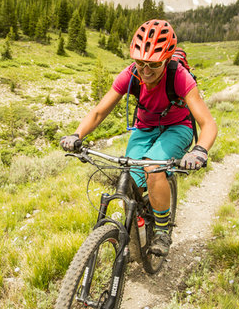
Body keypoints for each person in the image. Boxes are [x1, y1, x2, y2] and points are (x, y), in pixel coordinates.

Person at [60, 19, 217, 257]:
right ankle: (139, 228)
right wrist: (77, 134)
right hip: (144, 127)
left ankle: (163, 230)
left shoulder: (180, 77)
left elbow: (208, 123)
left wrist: (199, 150)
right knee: (129, 178)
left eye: (153, 65)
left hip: (177, 126)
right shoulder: (130, 75)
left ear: (167, 59)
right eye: (140, 62)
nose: (145, 70)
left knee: (153, 168)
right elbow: (99, 111)